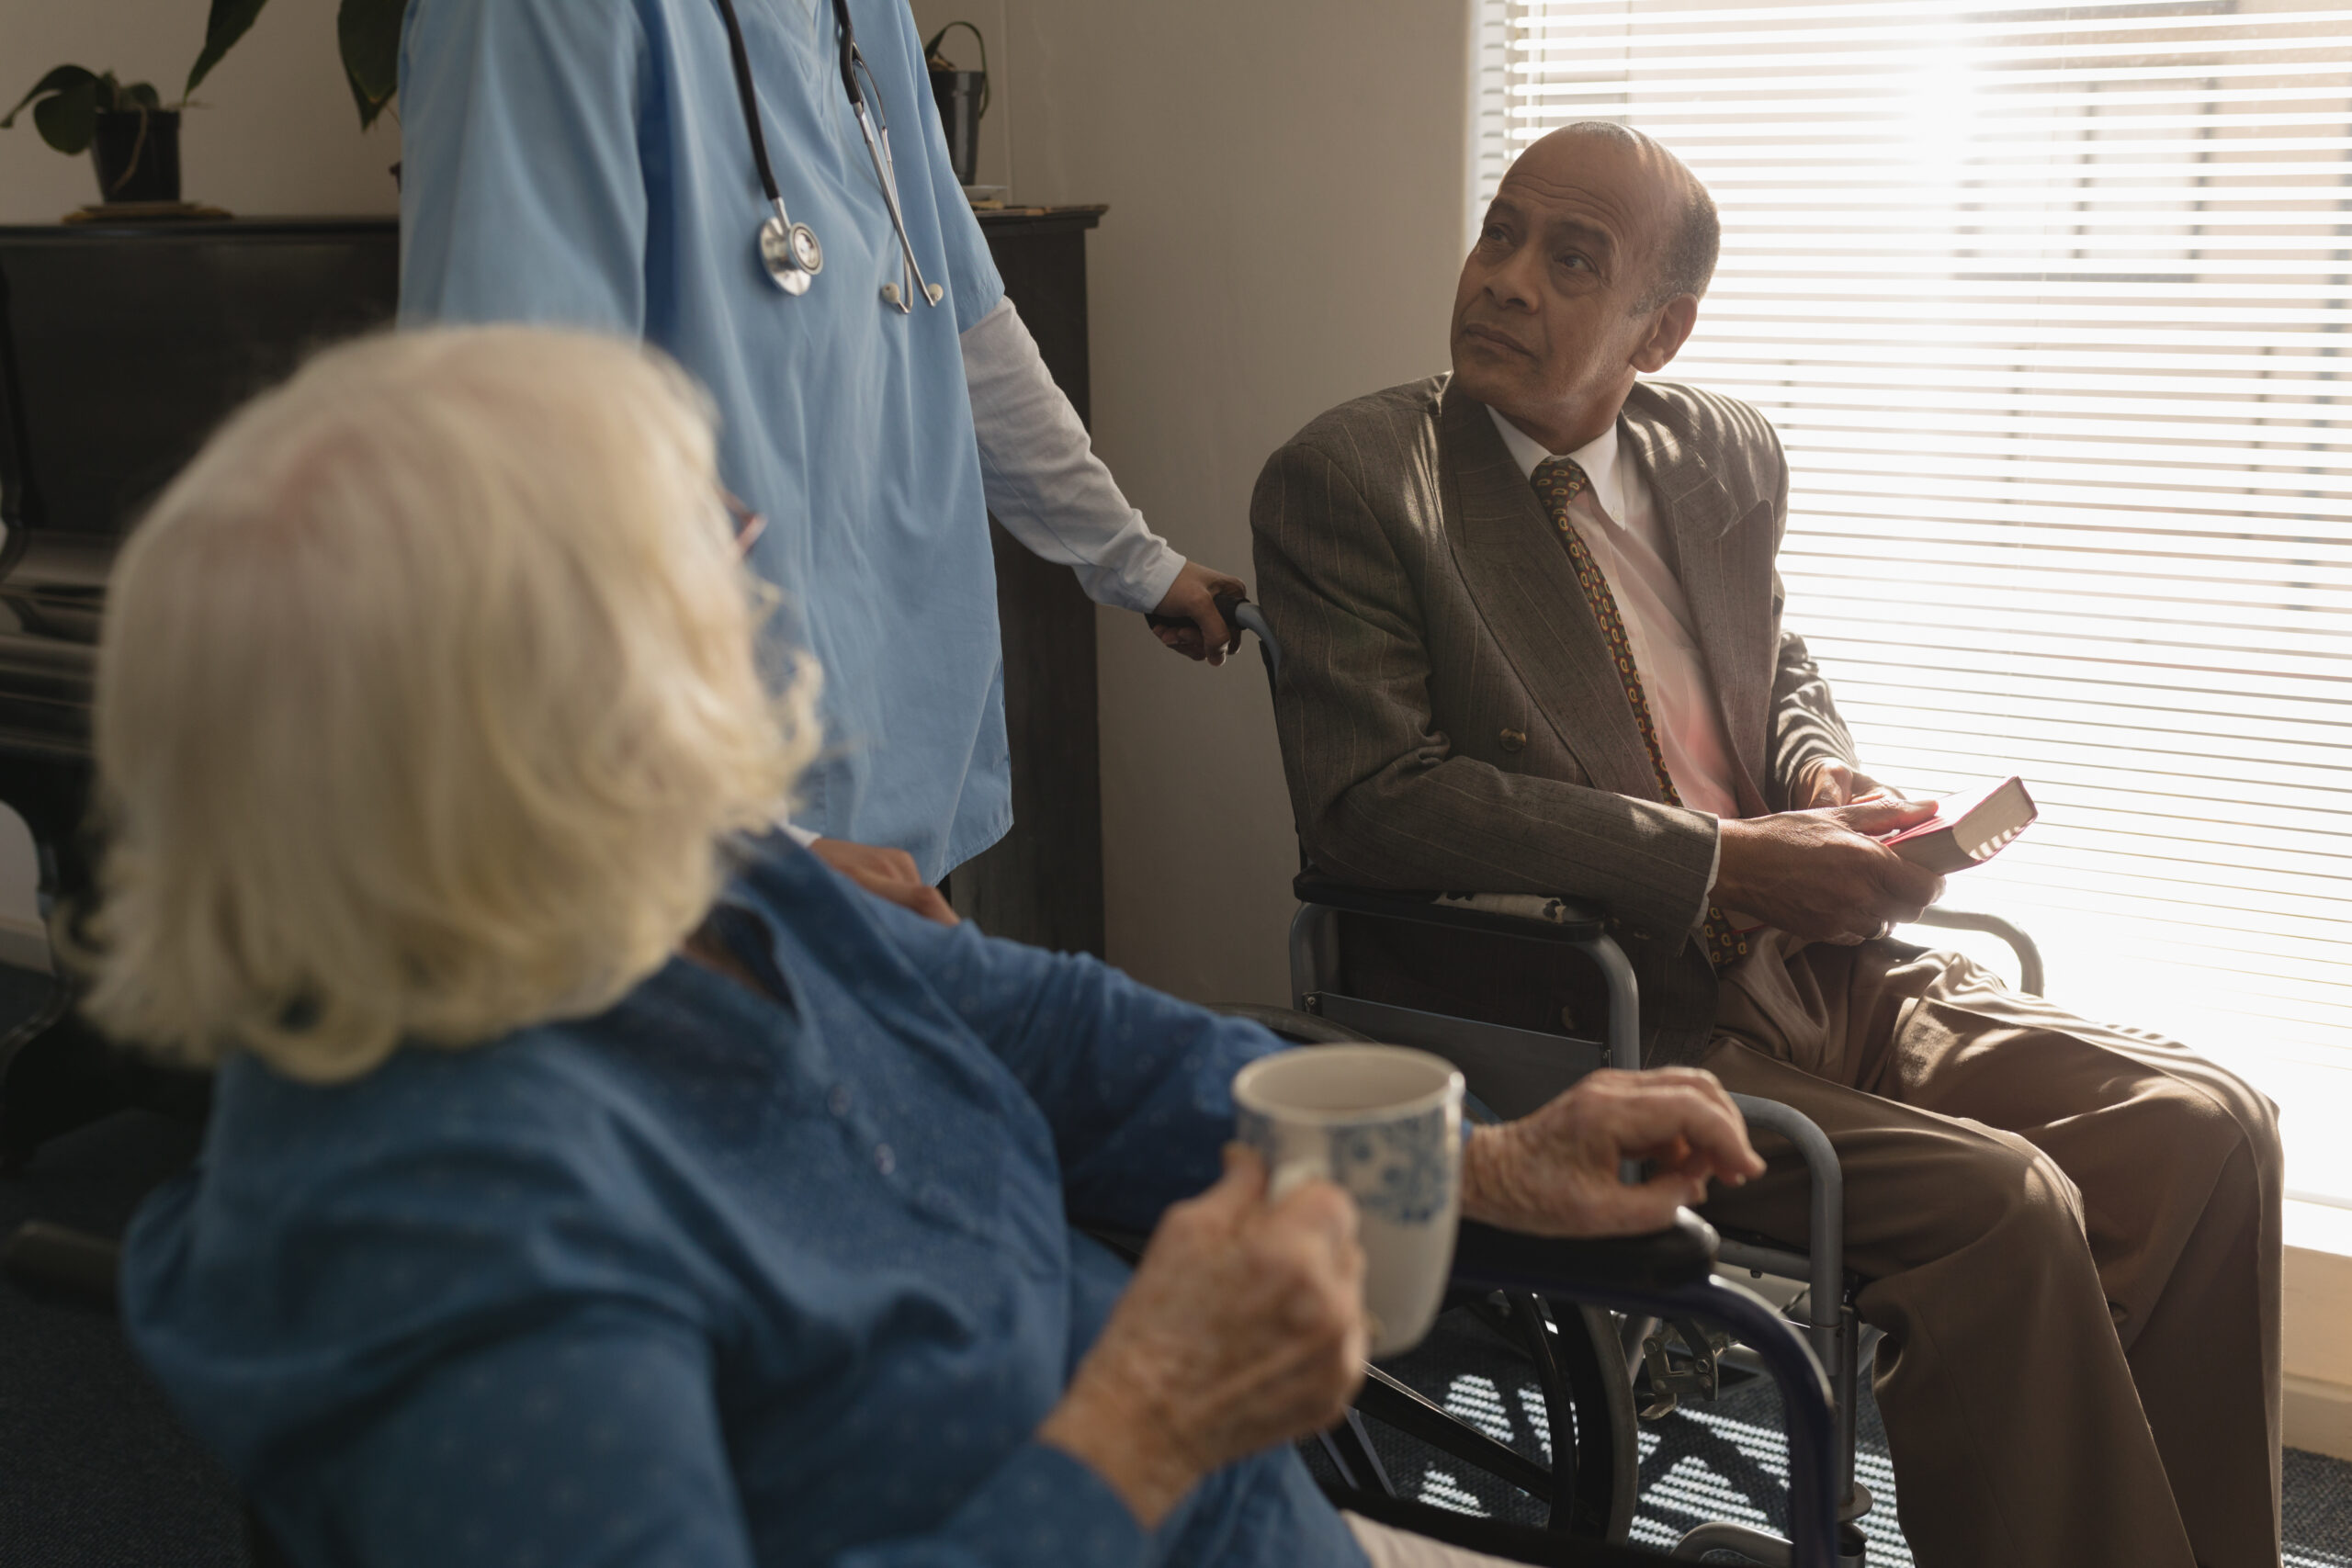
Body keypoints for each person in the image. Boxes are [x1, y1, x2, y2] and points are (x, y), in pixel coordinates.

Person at [101, 326, 1765, 1568]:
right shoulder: (436, 1221)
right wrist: (1146, 1422)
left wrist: (1476, 1167)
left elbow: (1070, 1044)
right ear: (518, 706)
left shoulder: (701, 885)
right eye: (686, 538)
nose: (751, 541)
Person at [1250, 122, 2285, 1568]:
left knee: (2207, 1127)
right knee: (2007, 1209)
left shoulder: (1721, 448)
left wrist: (1820, 769)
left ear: (1659, 331)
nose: (1505, 281)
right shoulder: (1357, 479)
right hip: (1599, 1003)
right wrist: (1728, 863)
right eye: (1502, 233)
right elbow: (1372, 801)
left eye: (1572, 259)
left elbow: (1773, 659)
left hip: (1823, 963)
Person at [396, 0, 1247, 906]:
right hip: (685, 823)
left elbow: (961, 317)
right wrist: (770, 849)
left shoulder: (857, 10)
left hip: (899, 764)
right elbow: (502, 475)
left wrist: (1131, 558)